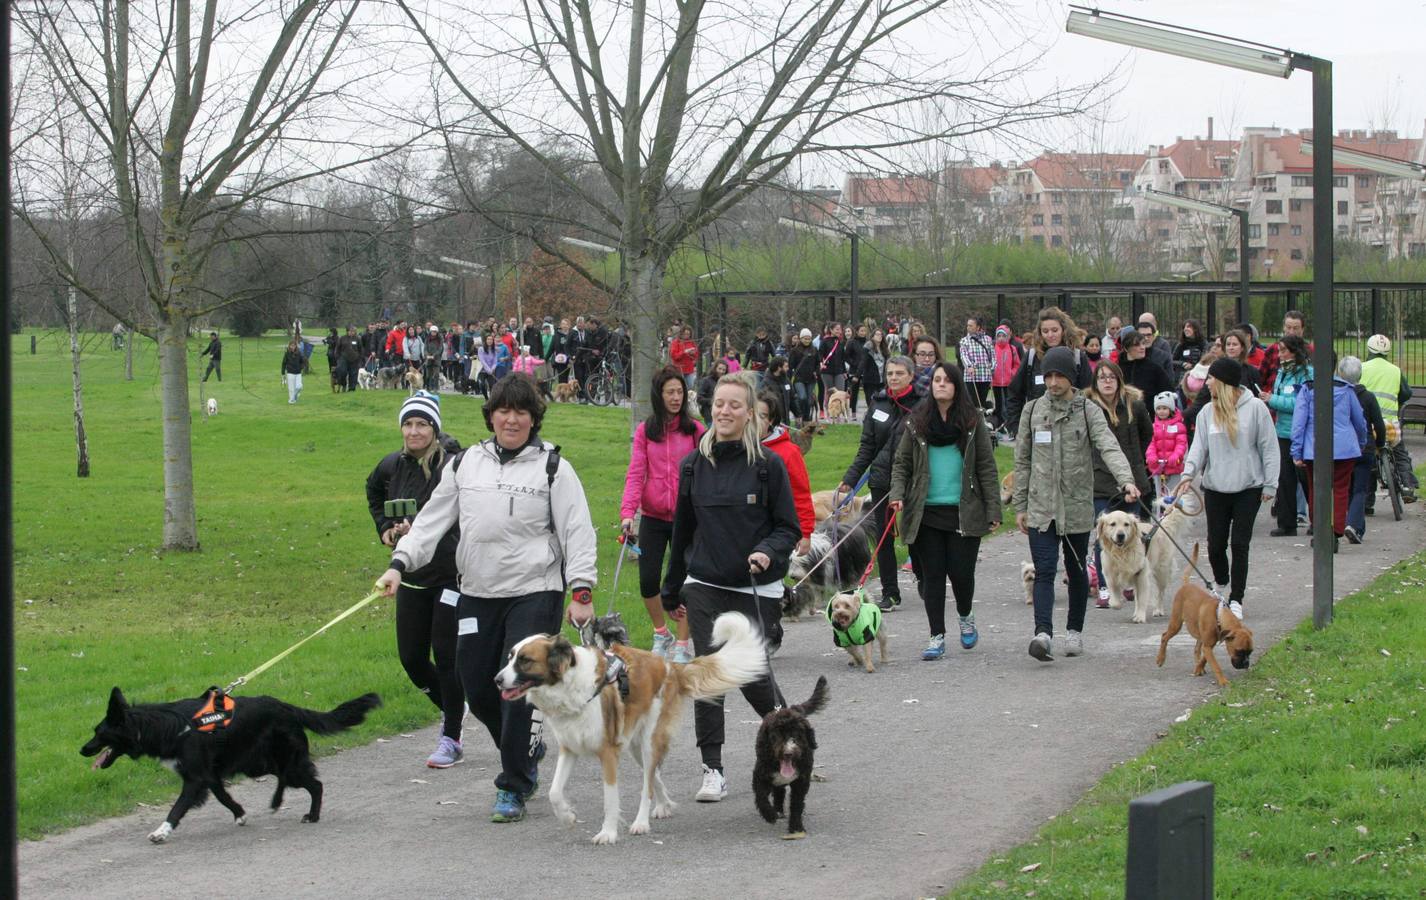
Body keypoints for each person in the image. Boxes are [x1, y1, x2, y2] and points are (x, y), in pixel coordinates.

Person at [376, 373, 598, 824]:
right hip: (476, 591)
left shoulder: (553, 467)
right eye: (503, 410)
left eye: (521, 412)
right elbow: (432, 520)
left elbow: (577, 528)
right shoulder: (465, 464)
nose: (511, 419)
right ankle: (526, 751)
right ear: (491, 415)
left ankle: (513, 784)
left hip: (535, 591)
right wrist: (399, 564)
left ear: (534, 419)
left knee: (516, 688)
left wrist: (581, 589)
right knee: (478, 687)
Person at [660, 374, 801, 804]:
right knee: (708, 674)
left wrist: (765, 551)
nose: (724, 412)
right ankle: (713, 769)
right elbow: (682, 530)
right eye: (719, 404)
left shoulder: (768, 466)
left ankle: (792, 743)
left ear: (750, 412)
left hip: (754, 587)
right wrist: (671, 587)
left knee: (752, 679)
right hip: (704, 583)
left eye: (734, 405)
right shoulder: (693, 465)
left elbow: (788, 528)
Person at [1012, 347, 1140, 661]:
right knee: (1043, 570)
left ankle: (1074, 631)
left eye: (1060, 376)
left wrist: (1126, 479)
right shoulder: (1032, 410)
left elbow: (1108, 445)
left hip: (1077, 505)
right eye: (1049, 375)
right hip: (1041, 506)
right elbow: (1022, 460)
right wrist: (1020, 505)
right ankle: (1042, 634)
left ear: (1071, 378)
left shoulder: (1087, 410)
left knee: (1076, 568)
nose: (1054, 382)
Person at [365, 393, 466, 768]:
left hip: (451, 574)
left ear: (435, 428)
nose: (414, 431)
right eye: (408, 424)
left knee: (446, 656)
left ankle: (451, 735)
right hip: (409, 575)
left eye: (422, 424)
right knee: (411, 659)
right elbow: (373, 492)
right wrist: (385, 529)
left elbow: (458, 512)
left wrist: (422, 527)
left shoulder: (455, 464)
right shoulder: (393, 465)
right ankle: (456, 706)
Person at [889, 362, 999, 660]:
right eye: (936, 380)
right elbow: (902, 465)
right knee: (933, 577)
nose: (940, 385)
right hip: (926, 512)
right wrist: (897, 495)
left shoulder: (973, 421)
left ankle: (966, 616)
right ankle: (936, 635)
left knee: (962, 574)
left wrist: (994, 510)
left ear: (956, 386)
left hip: (964, 510)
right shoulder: (917, 422)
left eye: (946, 381)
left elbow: (986, 468)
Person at [1173, 358, 1278, 621]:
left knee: (1240, 543)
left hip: (1248, 487)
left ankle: (1237, 598)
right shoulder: (1207, 412)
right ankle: (1222, 580)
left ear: (1223, 382)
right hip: (1216, 487)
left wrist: (1270, 483)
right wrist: (1188, 474)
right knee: (1216, 544)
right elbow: (1198, 448)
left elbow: (1269, 447)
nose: (1206, 382)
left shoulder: (1255, 408)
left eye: (1210, 378)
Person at [621, 366, 703, 664]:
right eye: (670, 392)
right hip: (654, 516)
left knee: (686, 581)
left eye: (680, 391)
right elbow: (635, 473)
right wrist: (628, 513)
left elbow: (708, 469)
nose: (676, 397)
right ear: (659, 395)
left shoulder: (695, 430)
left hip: (687, 517)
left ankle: (682, 642)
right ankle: (661, 633)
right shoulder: (646, 430)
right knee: (648, 579)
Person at [838, 355, 920, 611]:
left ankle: (926, 578)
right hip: (881, 479)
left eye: (899, 373)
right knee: (883, 538)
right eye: (890, 373)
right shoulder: (878, 404)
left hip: (913, 480)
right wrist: (850, 480)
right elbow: (867, 447)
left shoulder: (922, 405)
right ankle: (890, 592)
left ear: (911, 376)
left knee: (915, 534)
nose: (893, 378)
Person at [1083, 362, 1152, 607]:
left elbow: (1147, 435)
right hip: (1100, 481)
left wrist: (1135, 464)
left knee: (1134, 535)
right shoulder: (1087, 408)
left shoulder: (1136, 405)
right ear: (1095, 382)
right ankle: (1105, 585)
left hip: (1133, 479)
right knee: (1105, 536)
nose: (1107, 382)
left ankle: (1133, 579)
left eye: (1112, 377)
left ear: (1119, 380)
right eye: (1102, 378)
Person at [1290, 360, 1367, 553]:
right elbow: (1359, 420)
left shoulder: (1307, 389)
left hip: (1313, 448)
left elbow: (1299, 423)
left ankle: (1319, 530)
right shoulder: (1347, 390)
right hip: (1344, 448)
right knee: (1341, 489)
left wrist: (1296, 451)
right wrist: (1361, 442)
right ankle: (1336, 530)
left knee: (1316, 489)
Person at [1005, 306, 1093, 436]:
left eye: (1054, 330)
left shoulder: (1078, 358)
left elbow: (1089, 394)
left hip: (1072, 429)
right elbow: (1014, 393)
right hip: (1040, 427)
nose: (1050, 335)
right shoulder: (1032, 357)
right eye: (1045, 331)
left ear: (1064, 330)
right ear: (1040, 333)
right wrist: (1016, 428)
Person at [1259, 334, 1313, 537]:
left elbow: (1301, 403)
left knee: (1306, 478)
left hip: (1301, 432)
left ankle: (1316, 520)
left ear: (1295, 351)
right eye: (1279, 350)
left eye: (1284, 350)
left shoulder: (1307, 373)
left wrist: (1273, 399)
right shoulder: (1282, 372)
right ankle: (1286, 522)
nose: (1279, 355)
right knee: (1285, 478)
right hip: (1282, 430)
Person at [1361, 334, 1419, 503]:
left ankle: (1368, 501)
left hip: (1368, 425)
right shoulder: (1395, 370)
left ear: (1369, 349)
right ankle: (1408, 486)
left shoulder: (1362, 368)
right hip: (1390, 424)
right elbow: (1407, 393)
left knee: (1368, 458)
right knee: (1400, 454)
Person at [1337, 356, 1386, 544]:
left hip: (1344, 448)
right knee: (1360, 490)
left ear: (1340, 373)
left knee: (1346, 488)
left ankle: (1353, 524)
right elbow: (1379, 425)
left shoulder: (1339, 395)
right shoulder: (1368, 397)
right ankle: (1354, 525)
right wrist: (1380, 444)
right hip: (1365, 448)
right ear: (1361, 374)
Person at [1146, 391, 1188, 506]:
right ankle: (1161, 514)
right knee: (1160, 495)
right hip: (1159, 467)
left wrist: (1175, 456)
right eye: (1159, 408)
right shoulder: (1154, 427)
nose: (1161, 411)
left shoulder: (1178, 426)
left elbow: (1181, 444)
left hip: (1174, 466)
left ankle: (1177, 512)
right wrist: (1151, 456)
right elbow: (1151, 444)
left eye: (1164, 408)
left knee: (1174, 494)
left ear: (1171, 409)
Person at [1116, 330, 1175, 400]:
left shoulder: (1154, 368)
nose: (1142, 347)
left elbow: (1168, 392)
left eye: (1143, 344)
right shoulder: (1117, 369)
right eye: (1137, 345)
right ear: (1126, 348)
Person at [1259, 310, 1307, 391]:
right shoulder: (1272, 349)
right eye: (1288, 327)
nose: (1291, 332)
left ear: (1302, 329)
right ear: (1283, 327)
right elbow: (1261, 377)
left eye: (1295, 328)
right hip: (1269, 397)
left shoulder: (1311, 351)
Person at [958, 316, 996, 414]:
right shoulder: (964, 341)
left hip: (985, 376)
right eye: (967, 325)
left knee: (982, 402)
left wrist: (992, 368)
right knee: (972, 403)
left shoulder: (988, 339)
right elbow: (964, 356)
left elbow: (993, 356)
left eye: (971, 325)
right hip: (971, 378)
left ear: (978, 327)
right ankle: (972, 422)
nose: (968, 327)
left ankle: (982, 423)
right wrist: (969, 366)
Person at [990, 324, 1022, 430]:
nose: (1001, 338)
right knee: (999, 405)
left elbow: (1017, 364)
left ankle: (1009, 424)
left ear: (1007, 337)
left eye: (1003, 336)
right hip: (996, 382)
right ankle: (1000, 424)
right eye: (998, 336)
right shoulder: (993, 349)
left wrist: (1012, 373)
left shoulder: (1012, 349)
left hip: (1008, 382)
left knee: (1009, 404)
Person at [788, 328, 820, 423]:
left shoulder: (814, 350)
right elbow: (790, 366)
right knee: (802, 397)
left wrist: (816, 372)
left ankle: (807, 419)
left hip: (811, 379)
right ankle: (799, 415)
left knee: (809, 401)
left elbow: (818, 363)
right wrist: (789, 380)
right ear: (801, 339)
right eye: (805, 338)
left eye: (809, 338)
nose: (807, 340)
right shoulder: (795, 351)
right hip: (799, 379)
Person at [860, 328, 888, 412]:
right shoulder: (868, 347)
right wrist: (857, 375)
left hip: (882, 380)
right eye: (877, 334)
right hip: (870, 379)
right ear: (872, 336)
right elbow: (863, 362)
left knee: (882, 402)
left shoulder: (884, 349)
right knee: (871, 402)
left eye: (881, 335)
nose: (879, 336)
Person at [698, 358, 731, 423]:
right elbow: (699, 398)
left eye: (724, 370)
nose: (721, 371)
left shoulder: (726, 382)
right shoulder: (706, 381)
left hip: (723, 413)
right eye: (719, 369)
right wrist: (712, 401)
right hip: (709, 413)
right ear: (715, 368)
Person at [281, 338, 305, 403]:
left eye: (294, 345)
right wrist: (283, 373)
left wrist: (300, 368)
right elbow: (283, 363)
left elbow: (303, 362)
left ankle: (295, 395)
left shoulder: (299, 353)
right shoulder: (287, 353)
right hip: (290, 372)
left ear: (296, 346)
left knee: (299, 386)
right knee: (291, 388)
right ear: (289, 346)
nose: (292, 347)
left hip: (298, 373)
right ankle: (292, 400)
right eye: (291, 345)